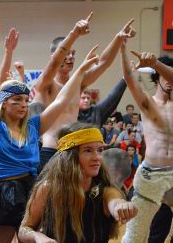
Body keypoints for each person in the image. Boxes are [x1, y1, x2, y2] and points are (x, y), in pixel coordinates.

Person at [0, 22, 99, 243]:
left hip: (32, 189)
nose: (24, 104)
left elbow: (63, 98)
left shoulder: (34, 126)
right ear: (4, 103)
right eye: (17, 100)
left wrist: (81, 71)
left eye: (26, 100)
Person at [33, 14, 136, 171]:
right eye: (67, 53)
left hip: (73, 150)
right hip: (50, 150)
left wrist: (118, 38)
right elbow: (54, 62)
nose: (70, 57)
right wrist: (74, 33)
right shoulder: (45, 83)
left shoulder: (77, 82)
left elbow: (103, 63)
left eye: (73, 54)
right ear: (54, 55)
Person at [18, 122, 137, 243]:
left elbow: (114, 201)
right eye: (88, 150)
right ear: (70, 156)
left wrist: (120, 205)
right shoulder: (48, 188)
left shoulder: (106, 191)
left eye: (100, 150)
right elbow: (24, 229)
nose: (97, 157)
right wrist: (38, 237)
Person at [120, 42, 173, 242]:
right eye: (164, 76)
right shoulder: (148, 102)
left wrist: (155, 63)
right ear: (156, 78)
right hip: (151, 174)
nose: (168, 80)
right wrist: (122, 45)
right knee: (134, 235)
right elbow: (129, 78)